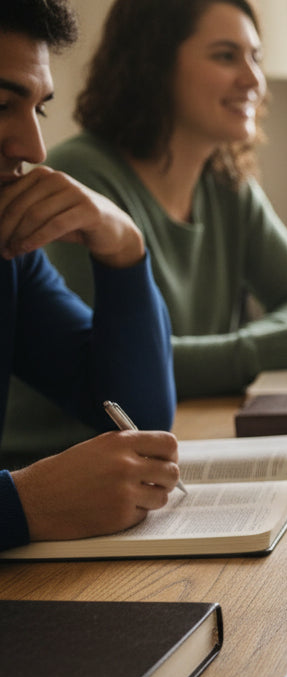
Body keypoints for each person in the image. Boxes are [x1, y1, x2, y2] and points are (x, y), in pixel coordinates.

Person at [2, 0, 287, 458]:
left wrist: (130, 249)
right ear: (153, 64)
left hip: (163, 441)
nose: (253, 79)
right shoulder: (81, 180)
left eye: (256, 56)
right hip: (66, 459)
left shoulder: (226, 183)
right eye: (226, 56)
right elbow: (115, 374)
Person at [0, 0, 179, 551]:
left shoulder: (9, 254)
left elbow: (137, 419)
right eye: (1, 105)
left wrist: (124, 246)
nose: (33, 149)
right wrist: (24, 504)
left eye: (38, 110)